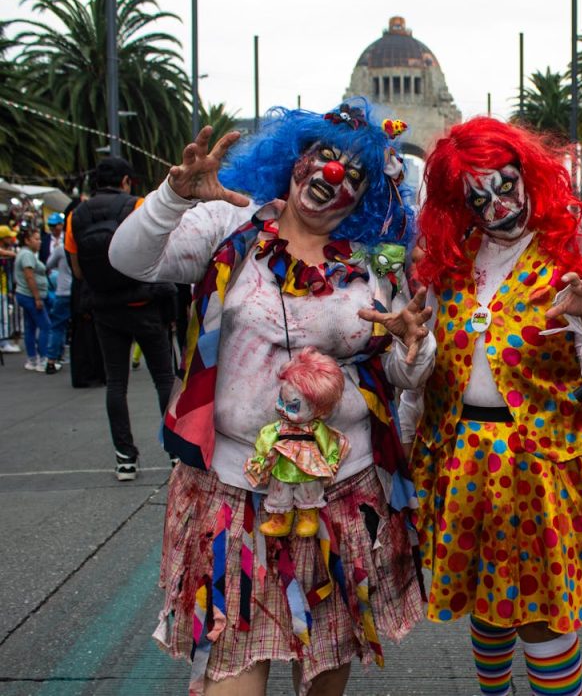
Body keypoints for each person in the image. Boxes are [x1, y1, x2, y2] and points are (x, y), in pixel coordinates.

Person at [109, 100, 432, 695]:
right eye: (325, 157)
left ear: (364, 199)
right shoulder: (231, 225)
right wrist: (174, 197)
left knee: (323, 679)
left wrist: (415, 349)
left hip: (342, 492)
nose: (333, 175)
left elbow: (402, 372)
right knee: (234, 676)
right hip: (236, 494)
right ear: (295, 158)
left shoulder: (372, 267)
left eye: (354, 176)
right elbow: (129, 258)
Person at [407, 117, 582, 696]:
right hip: (463, 463)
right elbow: (423, 374)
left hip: (546, 464)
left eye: (506, 185)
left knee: (545, 615)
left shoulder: (579, 259)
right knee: (486, 611)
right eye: (479, 197)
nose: (497, 206)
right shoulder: (448, 264)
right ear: (458, 205)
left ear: (529, 176)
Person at [69, 156, 176, 480]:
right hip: (143, 303)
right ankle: (175, 453)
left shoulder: (77, 215)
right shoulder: (139, 205)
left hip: (105, 309)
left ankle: (125, 459)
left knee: (116, 383)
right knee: (164, 379)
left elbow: (77, 269)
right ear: (127, 181)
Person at [14, 227, 58, 372]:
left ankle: (33, 359)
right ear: (27, 240)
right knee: (45, 326)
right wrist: (37, 297)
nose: (39, 242)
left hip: (26, 294)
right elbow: (29, 276)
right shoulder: (27, 255)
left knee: (30, 327)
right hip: (30, 295)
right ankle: (44, 359)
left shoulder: (26, 254)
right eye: (36, 239)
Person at [45, 217, 72, 365]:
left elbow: (48, 264)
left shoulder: (60, 248)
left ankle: (51, 359)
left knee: (57, 326)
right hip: (77, 291)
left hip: (63, 291)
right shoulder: (80, 246)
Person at [0, 224, 22, 354]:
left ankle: (4, 341)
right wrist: (14, 254)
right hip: (1, 288)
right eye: (8, 237)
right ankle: (3, 342)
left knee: (4, 316)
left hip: (4, 287)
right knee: (3, 317)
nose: (11, 240)